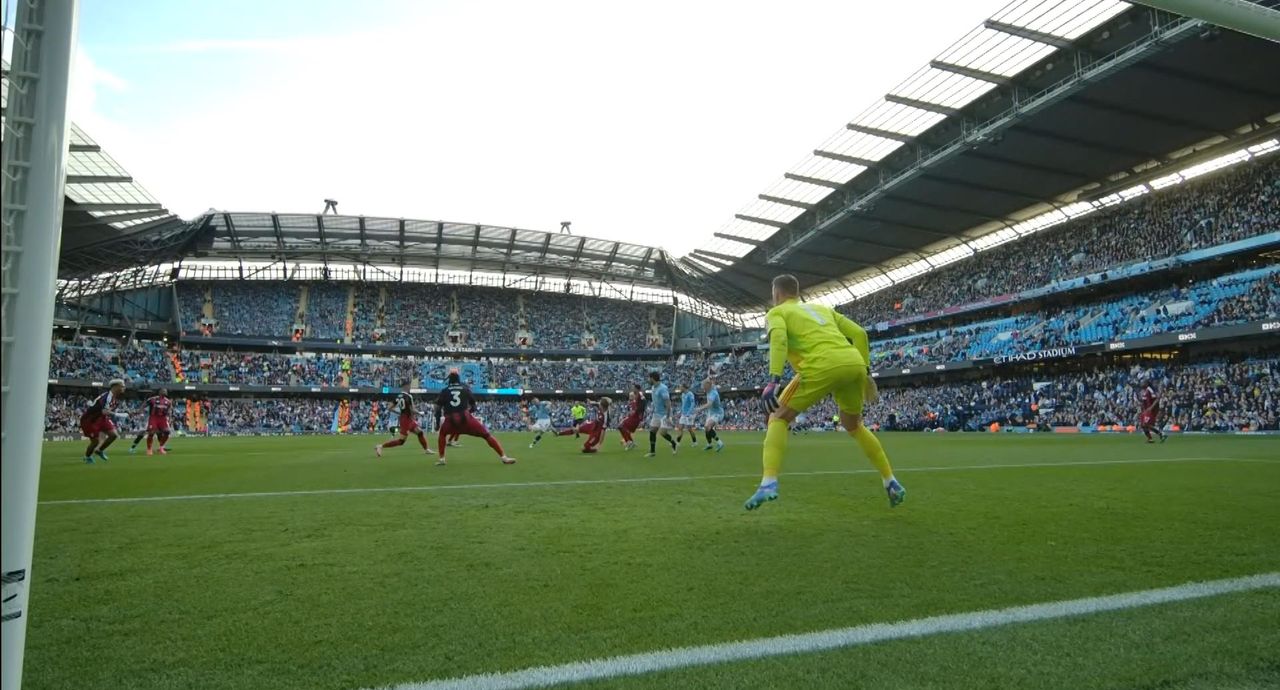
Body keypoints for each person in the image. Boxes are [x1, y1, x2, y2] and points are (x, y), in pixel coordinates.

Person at [746, 274, 905, 510]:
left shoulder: (776, 313)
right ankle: (889, 480)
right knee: (853, 425)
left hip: (820, 366)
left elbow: (778, 339)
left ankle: (769, 481)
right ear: (796, 292)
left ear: (776, 293)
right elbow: (860, 334)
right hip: (854, 363)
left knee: (777, 418)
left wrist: (773, 380)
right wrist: (867, 373)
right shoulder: (823, 309)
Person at [435, 371, 515, 466]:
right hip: (466, 419)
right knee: (487, 435)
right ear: (458, 379)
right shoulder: (465, 389)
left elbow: (438, 408)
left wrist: (437, 423)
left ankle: (442, 459)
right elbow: (473, 405)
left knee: (442, 434)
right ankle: (504, 457)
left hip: (451, 420)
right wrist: (469, 414)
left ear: (449, 380)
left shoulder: (445, 390)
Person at [375, 382, 436, 457]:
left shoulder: (398, 396)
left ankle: (426, 449)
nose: (410, 387)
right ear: (406, 386)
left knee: (420, 432)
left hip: (406, 418)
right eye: (409, 385)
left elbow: (389, 407)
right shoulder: (408, 396)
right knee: (401, 441)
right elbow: (412, 409)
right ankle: (381, 446)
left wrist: (400, 412)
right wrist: (420, 413)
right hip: (406, 420)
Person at [80, 378, 125, 464]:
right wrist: (119, 414)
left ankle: (100, 450)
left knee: (114, 435)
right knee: (95, 441)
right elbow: (104, 411)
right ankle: (87, 457)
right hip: (91, 419)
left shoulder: (114, 399)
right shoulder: (107, 397)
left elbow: (105, 413)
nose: (124, 388)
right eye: (122, 386)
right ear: (115, 387)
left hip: (102, 418)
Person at [128, 388, 174, 456]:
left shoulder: (168, 401)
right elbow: (143, 406)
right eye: (163, 391)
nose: (165, 392)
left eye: (166, 391)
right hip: (150, 418)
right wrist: (138, 411)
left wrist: (170, 418)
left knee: (163, 432)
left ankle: (161, 447)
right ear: (159, 392)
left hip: (162, 419)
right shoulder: (152, 399)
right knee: (143, 433)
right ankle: (133, 448)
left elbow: (169, 410)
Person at [645, 371, 678, 457]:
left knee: (662, 433)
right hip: (656, 413)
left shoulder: (663, 388)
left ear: (652, 378)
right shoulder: (653, 387)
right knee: (652, 431)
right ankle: (652, 452)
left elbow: (668, 403)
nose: (648, 380)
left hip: (664, 414)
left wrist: (668, 416)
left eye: (649, 378)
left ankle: (673, 443)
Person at [696, 378, 725, 452]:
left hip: (718, 413)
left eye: (704, 385)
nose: (703, 387)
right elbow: (711, 381)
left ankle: (720, 443)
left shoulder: (713, 393)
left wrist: (699, 409)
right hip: (711, 413)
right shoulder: (708, 390)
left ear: (708, 385)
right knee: (706, 429)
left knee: (707, 426)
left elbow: (709, 404)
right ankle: (709, 445)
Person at [1137, 378, 1168, 443]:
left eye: (1143, 382)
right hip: (1145, 410)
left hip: (1151, 410)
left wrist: (1151, 407)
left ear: (1146, 383)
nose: (1141, 383)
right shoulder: (1144, 390)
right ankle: (1150, 439)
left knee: (1146, 424)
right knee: (1143, 425)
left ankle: (1162, 434)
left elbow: (1157, 399)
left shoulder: (1149, 390)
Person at [617, 384, 646, 450]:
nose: (633, 389)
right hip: (634, 417)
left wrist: (637, 412)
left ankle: (629, 442)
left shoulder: (639, 395)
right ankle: (630, 442)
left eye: (634, 388)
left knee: (621, 426)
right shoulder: (635, 399)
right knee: (622, 427)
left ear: (636, 389)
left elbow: (643, 404)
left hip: (635, 418)